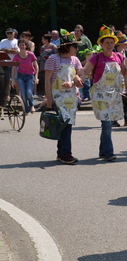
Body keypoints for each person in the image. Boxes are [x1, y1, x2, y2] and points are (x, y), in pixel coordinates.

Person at [80, 27, 126, 161]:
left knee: (108, 124)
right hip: (100, 94)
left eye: (111, 43)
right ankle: (109, 152)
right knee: (106, 124)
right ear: (101, 44)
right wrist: (79, 77)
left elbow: (125, 73)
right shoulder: (96, 57)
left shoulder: (119, 57)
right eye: (107, 43)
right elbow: (84, 70)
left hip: (113, 95)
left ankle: (102, 151)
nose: (110, 45)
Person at [44, 34, 83, 164]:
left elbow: (80, 76)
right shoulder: (53, 59)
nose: (76, 49)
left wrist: (76, 79)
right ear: (67, 47)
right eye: (74, 46)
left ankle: (61, 153)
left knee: (66, 125)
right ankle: (66, 154)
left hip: (71, 96)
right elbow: (48, 80)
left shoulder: (75, 60)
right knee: (66, 124)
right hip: (58, 95)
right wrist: (49, 98)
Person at [11, 39, 39, 113]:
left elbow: (36, 66)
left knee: (29, 93)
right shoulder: (16, 56)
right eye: (20, 45)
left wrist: (36, 77)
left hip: (30, 75)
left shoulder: (31, 55)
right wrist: (13, 80)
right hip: (20, 75)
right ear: (18, 46)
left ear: (26, 46)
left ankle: (32, 105)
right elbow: (13, 68)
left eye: (23, 45)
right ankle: (26, 109)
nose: (22, 46)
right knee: (22, 94)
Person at [74, 24, 93, 101]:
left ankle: (87, 94)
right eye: (75, 31)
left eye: (78, 31)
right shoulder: (72, 39)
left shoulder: (85, 40)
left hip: (83, 62)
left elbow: (90, 50)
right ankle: (79, 95)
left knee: (86, 78)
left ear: (81, 32)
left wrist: (87, 61)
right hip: (74, 62)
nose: (76, 33)